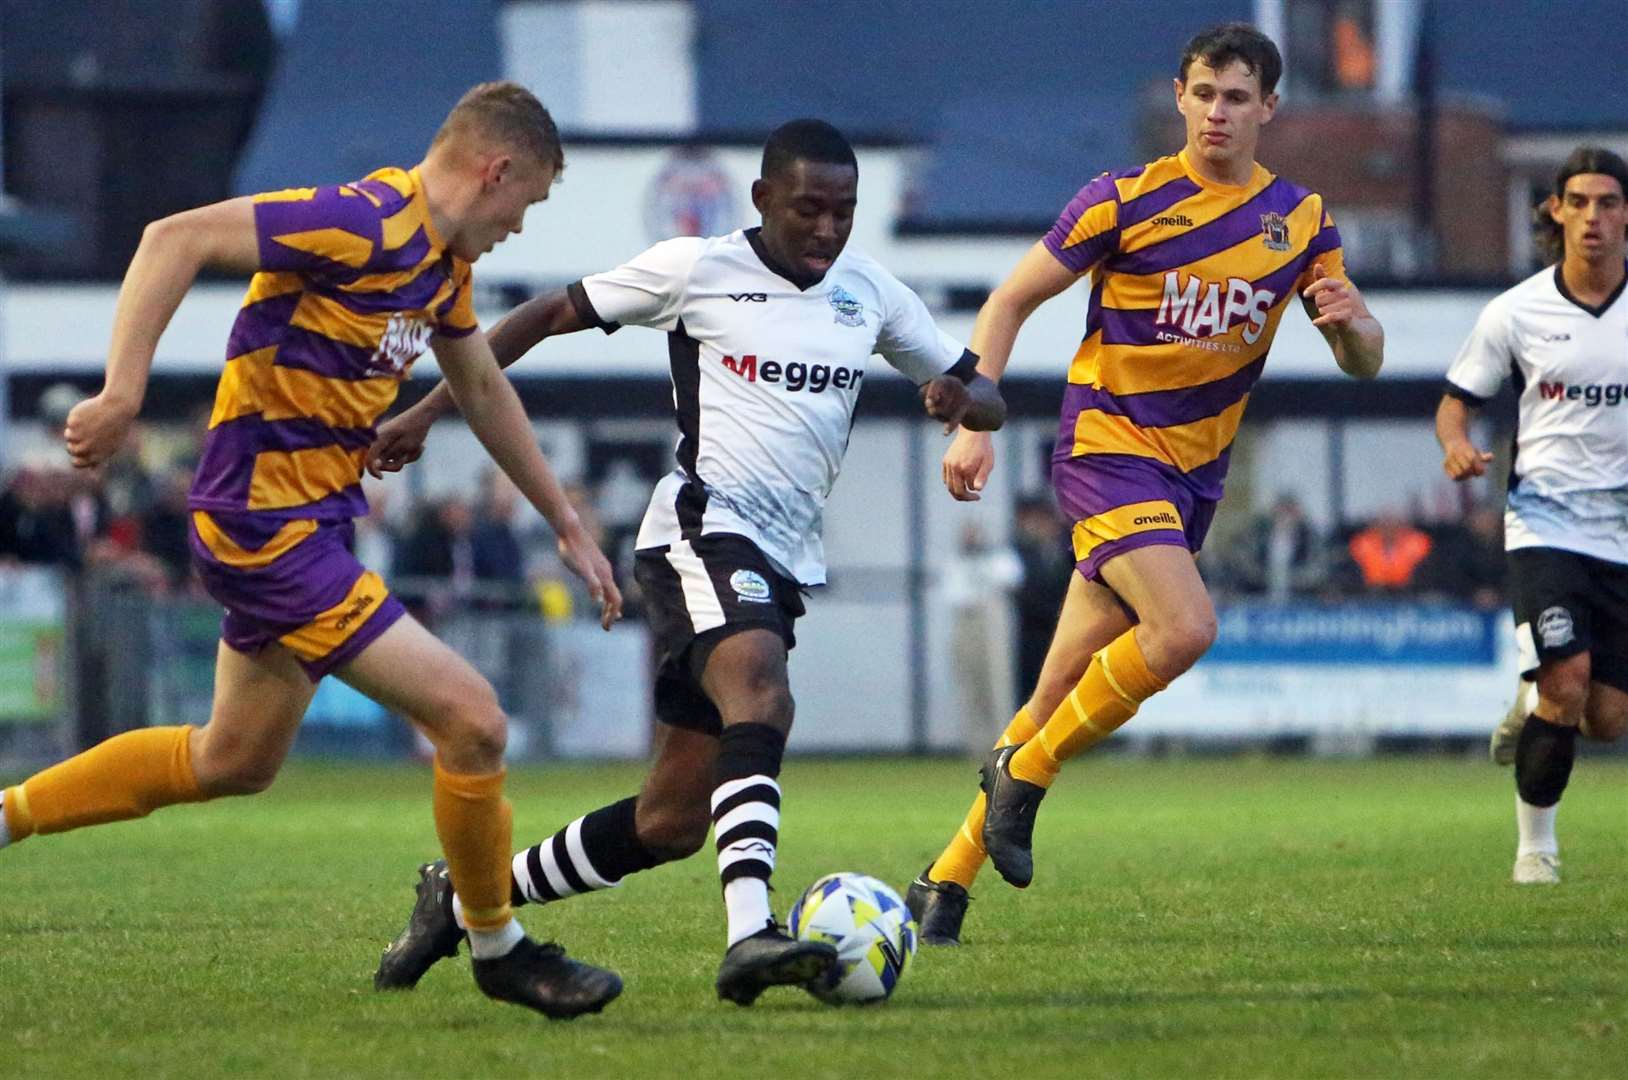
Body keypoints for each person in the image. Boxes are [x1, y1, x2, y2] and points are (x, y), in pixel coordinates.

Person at [0, 82, 628, 1019]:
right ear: (495, 171)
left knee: (231, 762)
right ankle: (496, 943)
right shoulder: (362, 219)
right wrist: (122, 392)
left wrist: (565, 521)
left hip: (310, 525)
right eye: (526, 203)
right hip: (265, 528)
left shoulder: (439, 269)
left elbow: (484, 391)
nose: (519, 226)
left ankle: (4, 817)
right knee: (474, 722)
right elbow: (174, 238)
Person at [366, 119, 1006, 1004]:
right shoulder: (696, 269)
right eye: (810, 209)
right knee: (764, 694)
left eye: (845, 212)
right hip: (702, 532)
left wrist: (965, 398)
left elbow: (989, 393)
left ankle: (472, 896)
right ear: (763, 201)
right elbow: (547, 312)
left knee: (668, 821)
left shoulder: (873, 294)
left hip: (782, 561)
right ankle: (751, 933)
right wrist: (427, 412)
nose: (828, 229)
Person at [905, 23, 1384, 945]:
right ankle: (1028, 777)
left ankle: (945, 883)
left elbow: (1363, 362)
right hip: (1107, 449)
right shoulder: (1122, 199)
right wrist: (976, 418)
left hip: (1193, 479)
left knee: (1049, 702)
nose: (1218, 112)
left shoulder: (1304, 221)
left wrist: (1357, 325)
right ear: (1180, 96)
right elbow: (1008, 300)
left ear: (1269, 109)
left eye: (1238, 97)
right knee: (1186, 627)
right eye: (1205, 93)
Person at [1437, 146, 1628, 884]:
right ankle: (1535, 851)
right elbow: (1457, 405)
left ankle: (1530, 693)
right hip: (1545, 524)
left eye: (1607, 202)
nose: (1592, 217)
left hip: (1621, 537)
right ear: (1555, 210)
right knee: (1568, 682)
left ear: (1625, 214)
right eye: (1578, 202)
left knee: (1607, 719)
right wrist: (1457, 446)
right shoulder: (1516, 311)